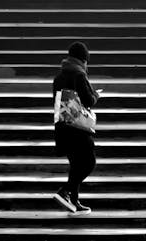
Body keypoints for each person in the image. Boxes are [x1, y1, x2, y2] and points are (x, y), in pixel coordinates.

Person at [52, 41, 99, 214]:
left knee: (75, 164)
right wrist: (96, 95)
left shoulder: (59, 76)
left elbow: (58, 102)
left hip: (63, 127)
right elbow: (88, 100)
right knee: (88, 162)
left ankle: (74, 201)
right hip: (78, 129)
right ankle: (65, 191)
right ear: (83, 60)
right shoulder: (79, 75)